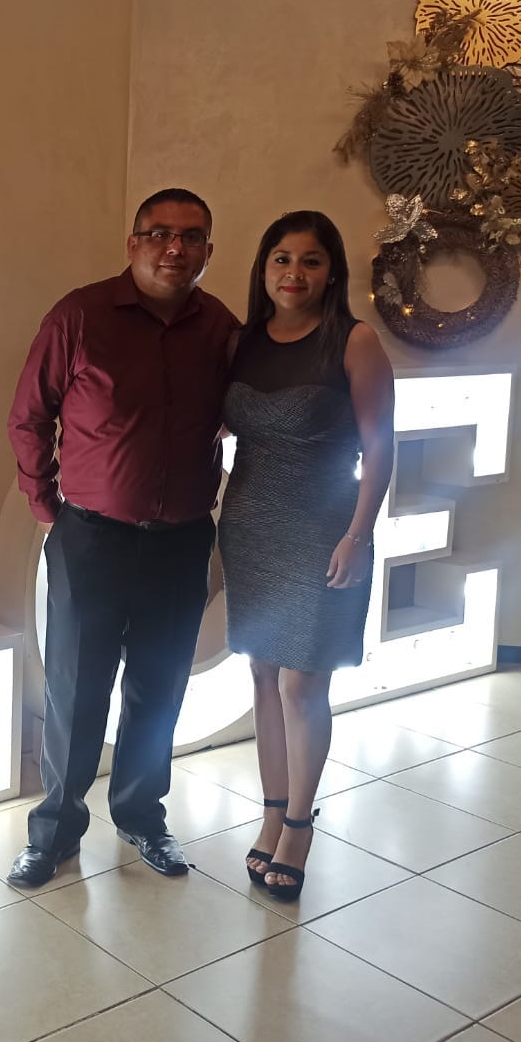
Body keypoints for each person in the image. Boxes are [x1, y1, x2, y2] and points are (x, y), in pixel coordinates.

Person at [5, 188, 237, 888]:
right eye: (160, 233)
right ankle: (55, 830)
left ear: (207, 251)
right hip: (91, 539)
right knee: (77, 691)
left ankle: (141, 815)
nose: (175, 248)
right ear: (133, 243)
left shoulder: (221, 329)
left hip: (182, 541)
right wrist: (45, 505)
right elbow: (29, 415)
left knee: (159, 687)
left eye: (191, 237)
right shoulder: (80, 316)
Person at [220, 209, 394, 901]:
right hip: (249, 528)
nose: (294, 272)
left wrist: (360, 533)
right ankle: (271, 812)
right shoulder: (241, 342)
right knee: (263, 674)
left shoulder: (353, 341)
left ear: (331, 272)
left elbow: (380, 445)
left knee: (302, 684)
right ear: (264, 269)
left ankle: (299, 825)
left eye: (311, 260)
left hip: (324, 529)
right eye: (282, 259)